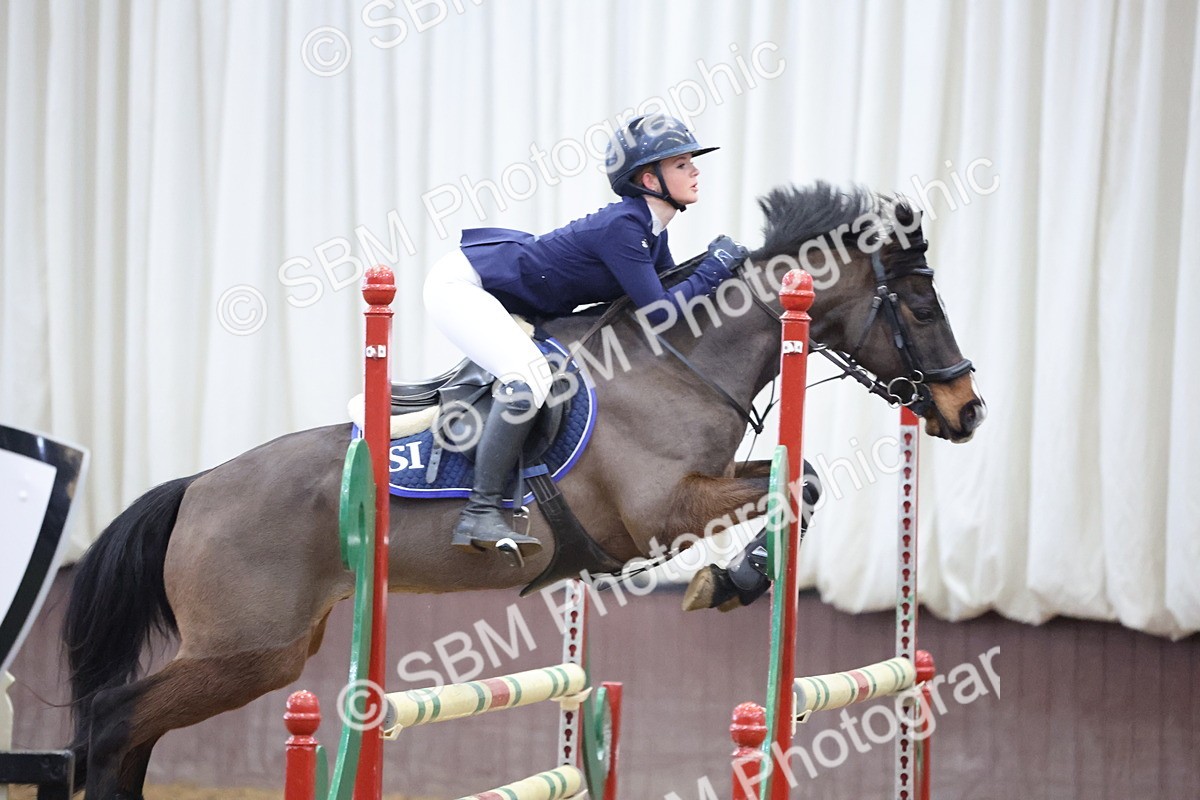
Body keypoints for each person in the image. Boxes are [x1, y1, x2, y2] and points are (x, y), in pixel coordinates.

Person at [423, 114, 749, 557]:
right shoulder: (624, 228)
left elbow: (667, 292)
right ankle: (479, 511)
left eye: (691, 161)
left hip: (504, 290)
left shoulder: (649, 231)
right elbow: (660, 314)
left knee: (532, 375)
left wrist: (728, 277)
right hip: (461, 286)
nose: (695, 170)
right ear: (649, 178)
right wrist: (713, 267)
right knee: (530, 378)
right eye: (682, 163)